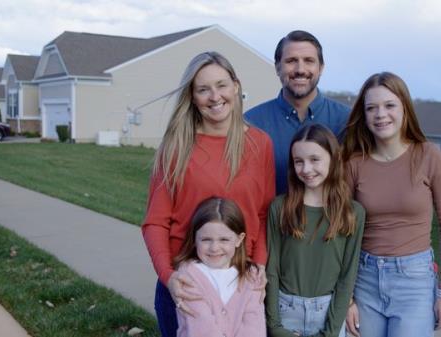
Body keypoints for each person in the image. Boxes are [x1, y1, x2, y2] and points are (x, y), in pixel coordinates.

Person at [141, 51, 275, 337]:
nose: (215, 96)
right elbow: (155, 222)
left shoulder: (259, 144)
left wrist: (260, 264)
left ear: (236, 86)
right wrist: (169, 277)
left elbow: (264, 214)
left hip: (241, 285)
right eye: (203, 89)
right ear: (192, 96)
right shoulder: (177, 146)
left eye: (221, 85)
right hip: (188, 283)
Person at [342, 72, 441, 337]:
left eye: (389, 105)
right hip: (365, 280)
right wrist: (347, 298)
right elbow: (344, 233)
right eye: (371, 108)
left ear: (404, 107)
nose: (380, 114)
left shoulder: (428, 155)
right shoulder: (353, 164)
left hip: (415, 282)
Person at [265, 124, 365, 337]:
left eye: (315, 159)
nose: (306, 169)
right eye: (298, 161)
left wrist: (330, 332)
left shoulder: (352, 212)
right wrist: (274, 326)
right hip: (285, 312)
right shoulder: (280, 207)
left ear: (333, 158)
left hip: (328, 314)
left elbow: (347, 276)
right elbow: (271, 269)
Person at [245, 30, 350, 195]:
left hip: (335, 219)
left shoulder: (347, 121)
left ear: (321, 67)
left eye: (309, 61)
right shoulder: (250, 124)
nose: (300, 69)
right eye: (291, 61)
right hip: (272, 220)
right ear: (278, 67)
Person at [173, 197, 266, 337]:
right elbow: (202, 326)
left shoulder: (252, 276)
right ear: (194, 239)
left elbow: (253, 327)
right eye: (206, 239)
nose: (214, 248)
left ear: (239, 240)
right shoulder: (188, 274)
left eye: (224, 239)